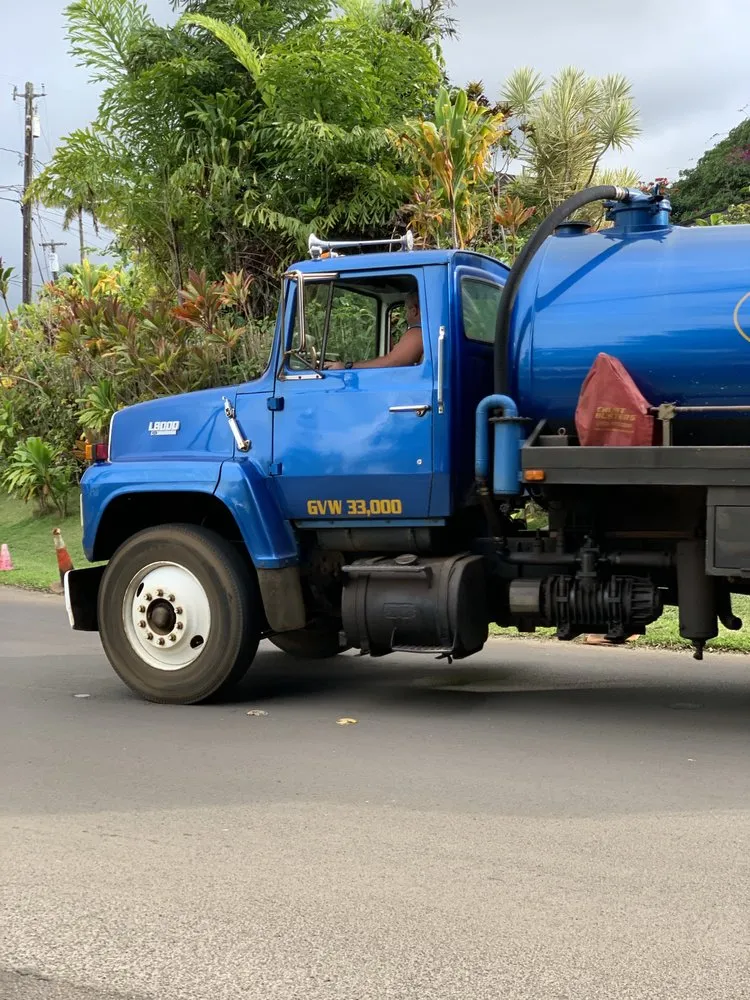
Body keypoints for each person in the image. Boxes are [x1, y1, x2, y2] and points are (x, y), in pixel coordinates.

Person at [324, 290, 423, 370]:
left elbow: (393, 362)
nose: (405, 316)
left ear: (414, 311)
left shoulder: (418, 332)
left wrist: (347, 366)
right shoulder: (422, 333)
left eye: (406, 311)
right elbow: (397, 355)